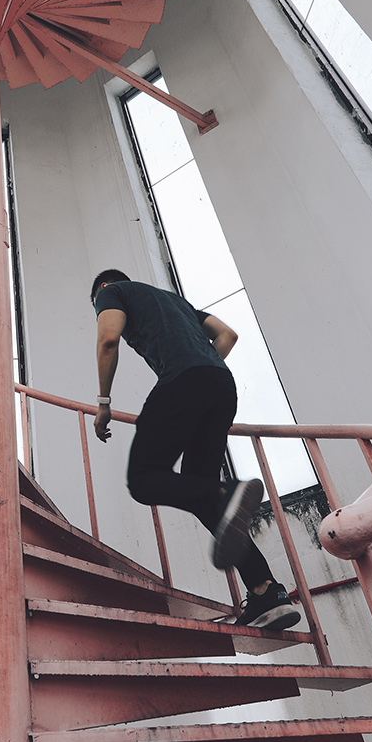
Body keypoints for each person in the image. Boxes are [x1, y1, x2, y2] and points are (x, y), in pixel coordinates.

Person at [91, 268, 300, 631]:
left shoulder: (112, 292)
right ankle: (267, 591)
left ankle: (229, 489)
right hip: (221, 386)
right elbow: (227, 334)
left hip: (182, 383)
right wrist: (205, 367)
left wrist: (104, 403)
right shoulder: (174, 301)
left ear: (105, 288)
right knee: (201, 495)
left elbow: (108, 339)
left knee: (143, 479)